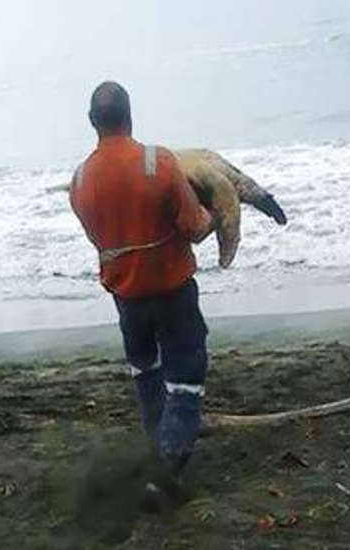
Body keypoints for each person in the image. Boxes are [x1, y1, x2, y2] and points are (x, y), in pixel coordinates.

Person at [69, 81, 219, 488]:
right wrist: (215, 213)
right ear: (130, 116)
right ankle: (165, 469)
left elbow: (100, 240)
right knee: (186, 373)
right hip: (172, 292)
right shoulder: (160, 164)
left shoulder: (79, 182)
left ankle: (158, 447)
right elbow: (195, 229)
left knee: (146, 372)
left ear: (92, 122)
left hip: (128, 301)